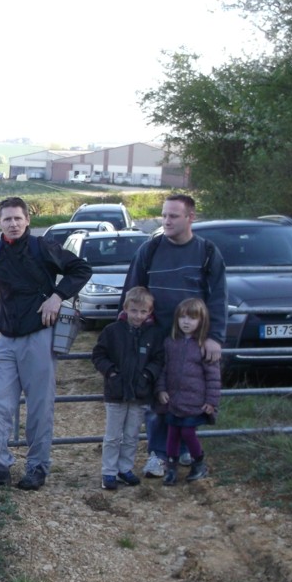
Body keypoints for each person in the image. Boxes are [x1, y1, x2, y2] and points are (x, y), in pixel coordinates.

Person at [0, 197, 92, 490]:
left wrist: (57, 297)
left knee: (39, 406)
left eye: (18, 218)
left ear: (27, 221)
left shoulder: (42, 247)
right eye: (7, 219)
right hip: (6, 337)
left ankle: (36, 467)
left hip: (39, 334)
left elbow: (81, 269)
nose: (13, 224)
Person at [122, 193, 227, 478]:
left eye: (173, 216)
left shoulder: (207, 252)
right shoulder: (150, 250)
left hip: (193, 341)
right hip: (156, 339)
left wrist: (215, 337)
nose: (166, 221)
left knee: (189, 393)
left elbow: (218, 297)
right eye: (164, 215)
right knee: (159, 398)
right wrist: (129, 333)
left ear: (191, 217)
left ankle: (181, 449)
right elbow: (132, 293)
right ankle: (157, 454)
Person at [91, 286, 165, 491]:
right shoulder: (112, 331)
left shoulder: (154, 334)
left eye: (143, 311)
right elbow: (98, 355)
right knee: (113, 435)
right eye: (134, 310)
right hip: (116, 392)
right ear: (125, 308)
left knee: (132, 435)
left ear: (150, 312)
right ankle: (109, 471)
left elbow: (159, 359)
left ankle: (125, 468)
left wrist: (147, 375)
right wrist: (111, 373)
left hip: (140, 393)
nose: (138, 316)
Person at [156, 298, 220, 485]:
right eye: (182, 317)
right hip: (173, 400)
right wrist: (161, 389)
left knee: (188, 432)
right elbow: (163, 369)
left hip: (194, 401)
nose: (186, 322)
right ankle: (171, 468)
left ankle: (198, 463)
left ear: (201, 321)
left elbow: (213, 377)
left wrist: (212, 401)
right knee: (172, 433)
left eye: (192, 318)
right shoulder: (170, 343)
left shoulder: (203, 346)